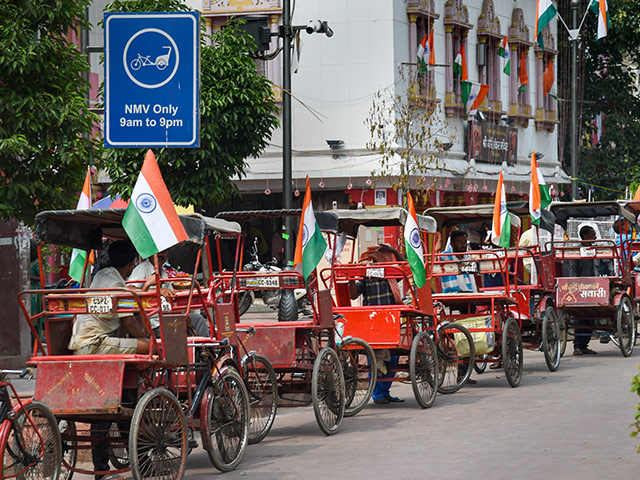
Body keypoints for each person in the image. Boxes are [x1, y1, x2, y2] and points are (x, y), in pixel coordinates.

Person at [66, 240, 149, 480]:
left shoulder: (100, 277)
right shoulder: (117, 284)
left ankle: (102, 469)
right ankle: (136, 391)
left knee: (108, 406)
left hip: (79, 345)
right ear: (131, 263)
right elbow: (130, 323)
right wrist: (149, 339)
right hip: (96, 345)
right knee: (147, 347)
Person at [349, 244, 405, 404]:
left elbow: (405, 268)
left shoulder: (392, 273)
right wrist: (352, 278)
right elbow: (354, 295)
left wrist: (394, 251)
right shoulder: (366, 275)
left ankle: (385, 392)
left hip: (390, 320)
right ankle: (377, 394)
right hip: (372, 321)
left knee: (393, 358)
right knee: (373, 358)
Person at [128, 249, 210, 337]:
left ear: (168, 254)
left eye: (164, 252)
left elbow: (171, 297)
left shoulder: (164, 273)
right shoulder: (142, 268)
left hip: (166, 316)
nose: (160, 254)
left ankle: (206, 348)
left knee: (197, 319)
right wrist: (156, 291)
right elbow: (130, 289)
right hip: (152, 321)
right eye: (156, 252)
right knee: (177, 328)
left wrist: (183, 316)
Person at [568, 225, 614, 355]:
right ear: (585, 236)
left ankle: (583, 346)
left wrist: (612, 274)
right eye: (593, 234)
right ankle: (578, 346)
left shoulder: (597, 249)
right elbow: (572, 270)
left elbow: (607, 261)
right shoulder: (575, 250)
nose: (595, 237)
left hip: (594, 286)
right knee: (580, 316)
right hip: (580, 287)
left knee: (592, 316)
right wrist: (574, 285)